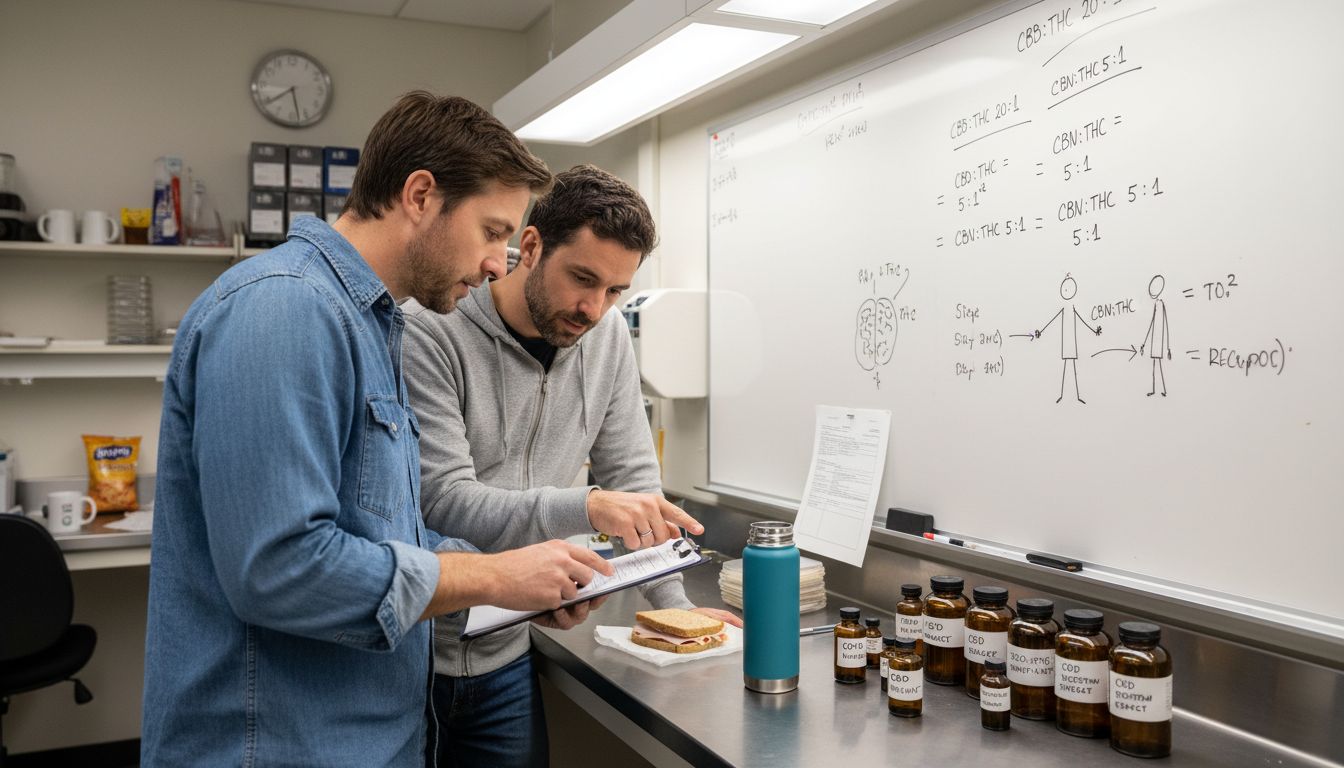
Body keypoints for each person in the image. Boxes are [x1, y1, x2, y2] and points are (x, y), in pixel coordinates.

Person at [141, 93, 615, 767]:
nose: (497, 263)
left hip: (362, 740)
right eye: (491, 231)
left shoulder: (370, 324)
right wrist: (490, 579)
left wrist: (517, 584)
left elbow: (384, 538)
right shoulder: (284, 309)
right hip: (275, 747)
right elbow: (280, 569)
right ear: (420, 195)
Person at [402, 164, 739, 766]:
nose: (593, 308)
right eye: (582, 278)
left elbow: (633, 479)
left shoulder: (604, 335)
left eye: (615, 291)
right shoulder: (432, 328)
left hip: (506, 651)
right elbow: (444, 499)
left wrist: (675, 613)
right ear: (529, 247)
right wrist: (585, 505)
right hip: (411, 659)